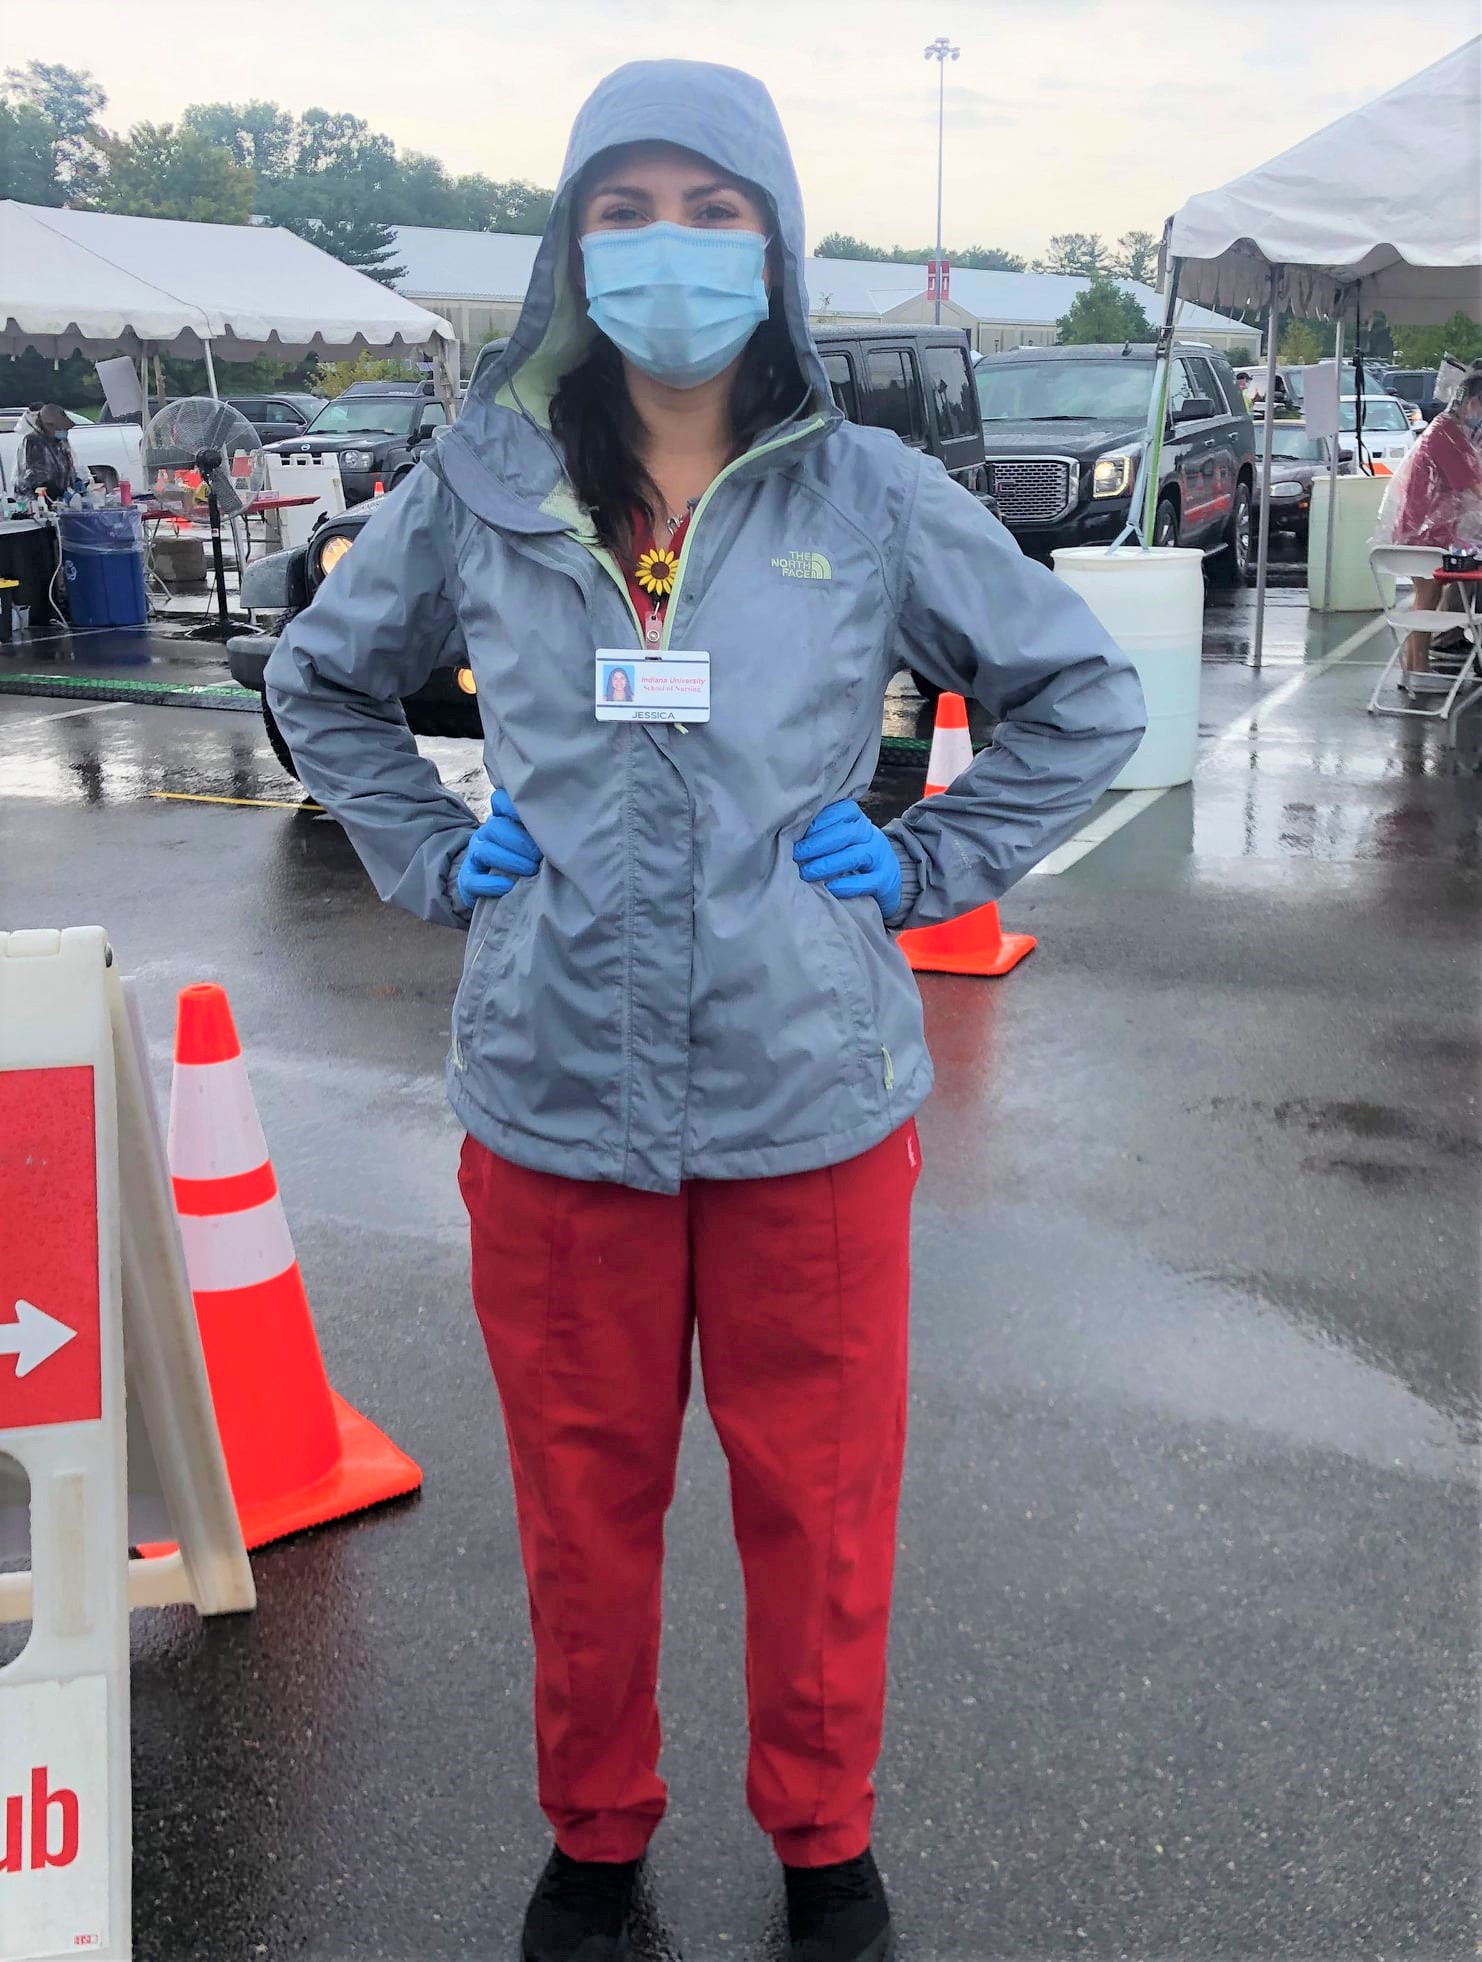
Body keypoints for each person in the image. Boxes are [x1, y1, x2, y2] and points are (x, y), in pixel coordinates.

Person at [266, 60, 1145, 1962]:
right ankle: (595, 1838)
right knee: (584, 1510)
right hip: (555, 1092)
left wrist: (922, 863)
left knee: (817, 1510)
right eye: (627, 210)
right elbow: (324, 676)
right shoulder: (482, 486)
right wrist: (428, 849)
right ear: (572, 245)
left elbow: (1081, 695)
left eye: (714, 209)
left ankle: (822, 1837)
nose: (672, 249)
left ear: (778, 243)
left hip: (804, 1102)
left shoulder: (872, 494)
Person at [1377, 361, 1482, 674]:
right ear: (1473, 403)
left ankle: (1417, 670)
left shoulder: (1452, 431)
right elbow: (1475, 487)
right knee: (1426, 601)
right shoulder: (1447, 435)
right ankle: (1416, 671)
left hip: (1433, 532)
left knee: (1428, 601)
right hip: (1424, 536)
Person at [14, 404, 87, 502]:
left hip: (60, 499)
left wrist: (76, 480)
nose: (64, 432)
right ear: (48, 425)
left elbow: (68, 466)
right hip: (39, 500)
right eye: (61, 428)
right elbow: (35, 478)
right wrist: (58, 492)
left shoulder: (60, 442)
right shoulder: (34, 443)